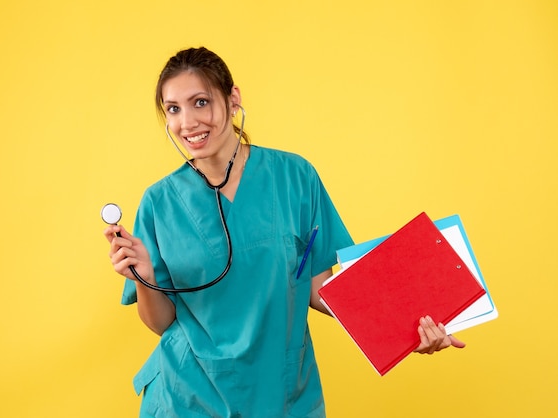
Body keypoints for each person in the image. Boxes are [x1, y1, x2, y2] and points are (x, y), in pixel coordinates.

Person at [103, 46, 465, 417]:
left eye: (200, 102)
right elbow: (160, 322)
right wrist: (145, 278)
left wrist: (409, 326)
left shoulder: (294, 178)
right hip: (189, 396)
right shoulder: (158, 202)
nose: (187, 123)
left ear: (233, 99)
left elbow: (320, 287)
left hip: (281, 392)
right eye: (173, 109)